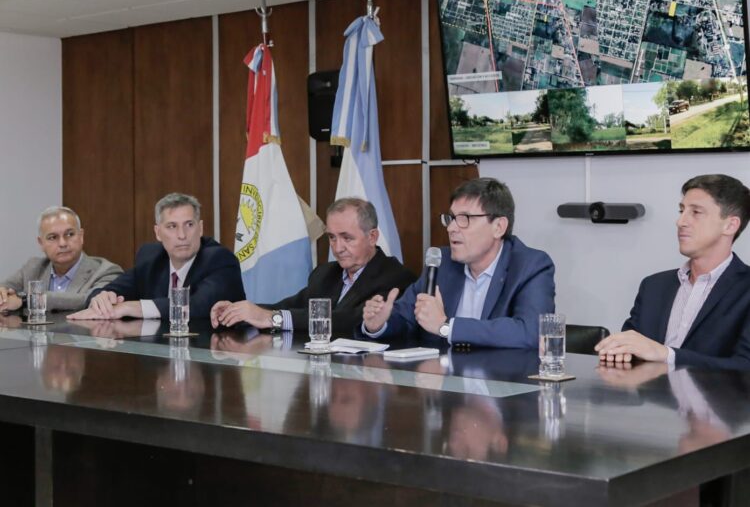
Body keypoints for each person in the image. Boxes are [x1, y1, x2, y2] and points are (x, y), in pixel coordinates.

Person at [362, 177, 555, 349]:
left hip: (502, 377)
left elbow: (531, 332)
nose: (451, 228)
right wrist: (379, 324)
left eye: (465, 219)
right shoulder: (442, 263)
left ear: (498, 227)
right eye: (451, 218)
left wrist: (446, 327)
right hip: (441, 376)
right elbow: (406, 318)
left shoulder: (530, 266)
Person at [596, 174, 750, 370]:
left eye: (696, 212)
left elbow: (745, 367)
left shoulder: (745, 289)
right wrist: (619, 351)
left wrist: (666, 354)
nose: (680, 221)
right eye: (681, 210)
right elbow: (630, 349)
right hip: (646, 390)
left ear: (730, 225)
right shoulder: (653, 286)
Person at [210, 198, 415, 336]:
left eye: (347, 238)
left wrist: (271, 318)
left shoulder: (396, 277)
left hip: (366, 378)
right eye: (332, 238)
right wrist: (239, 312)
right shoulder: (326, 273)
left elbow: (350, 320)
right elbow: (291, 306)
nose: (338, 248)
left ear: (372, 237)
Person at [68, 193, 244, 321]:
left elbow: (197, 306)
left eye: (189, 225)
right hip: (160, 354)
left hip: (212, 355)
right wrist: (102, 298)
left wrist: (130, 307)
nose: (182, 235)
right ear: (158, 233)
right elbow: (112, 289)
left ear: (201, 228)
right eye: (172, 226)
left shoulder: (220, 259)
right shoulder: (151, 257)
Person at [0, 206, 122, 312]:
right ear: (41, 243)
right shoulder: (33, 267)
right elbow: (4, 288)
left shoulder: (106, 271)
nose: (63, 243)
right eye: (53, 237)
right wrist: (3, 295)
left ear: (81, 237)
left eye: (69, 234)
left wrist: (25, 300)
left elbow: (89, 299)